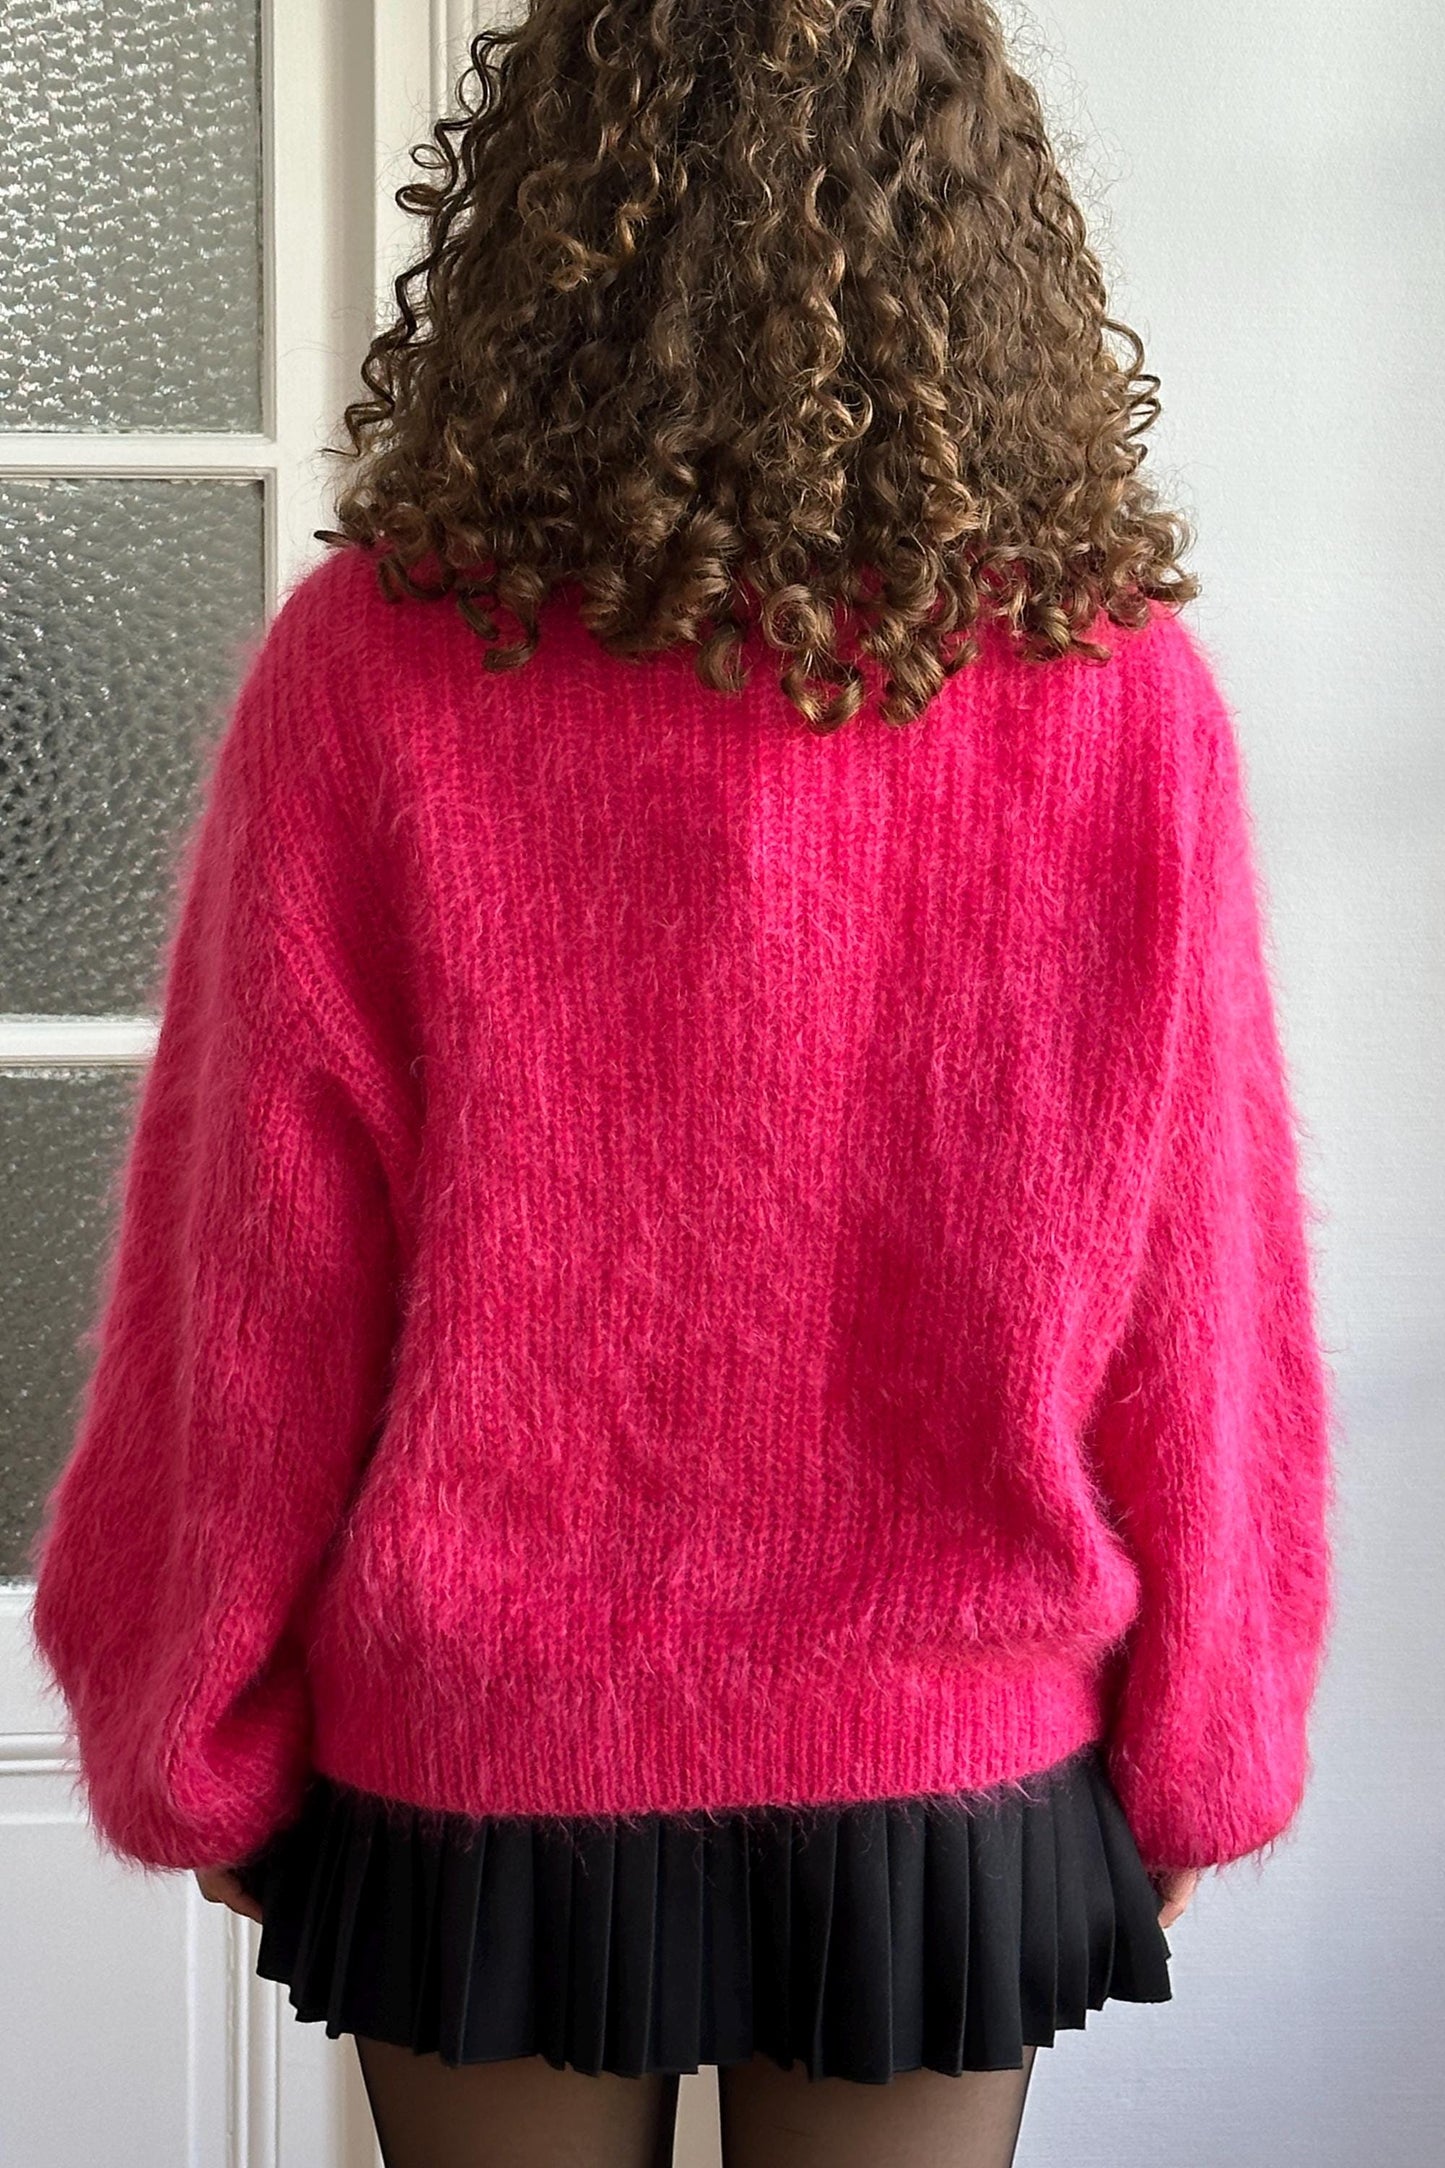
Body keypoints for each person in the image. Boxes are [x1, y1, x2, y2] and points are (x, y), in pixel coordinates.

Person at [27, 4, 1338, 2164]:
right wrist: (1209, 1736)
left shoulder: (373, 671)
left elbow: (257, 1272)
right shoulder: (1118, 704)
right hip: (946, 1758)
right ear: (982, 219)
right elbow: (1201, 1291)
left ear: (545, 218)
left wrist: (203, 1717)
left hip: (485, 1766)